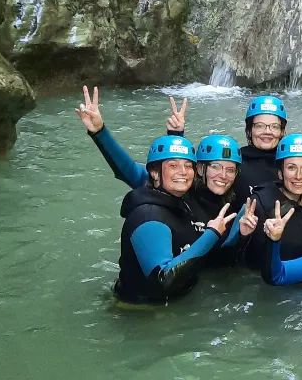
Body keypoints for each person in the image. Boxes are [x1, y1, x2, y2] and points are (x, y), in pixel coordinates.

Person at [77, 87, 246, 255]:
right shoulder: (184, 192)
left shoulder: (233, 199)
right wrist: (100, 132)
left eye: (230, 169)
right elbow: (131, 171)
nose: (223, 175)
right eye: (215, 166)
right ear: (201, 169)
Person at [114, 136, 238, 303]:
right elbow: (163, 281)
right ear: (155, 172)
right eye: (173, 166)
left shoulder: (181, 204)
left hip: (178, 304)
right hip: (144, 314)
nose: (183, 172)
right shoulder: (149, 217)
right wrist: (212, 233)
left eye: (188, 166)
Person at [242, 133, 302, 269]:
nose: (299, 176)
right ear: (280, 173)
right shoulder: (258, 204)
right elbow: (236, 262)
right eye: (291, 167)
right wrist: (244, 236)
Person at [231, 94, 288, 204]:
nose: (267, 132)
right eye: (260, 126)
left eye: (274, 126)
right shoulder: (235, 161)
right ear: (249, 130)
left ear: (282, 131)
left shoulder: (291, 162)